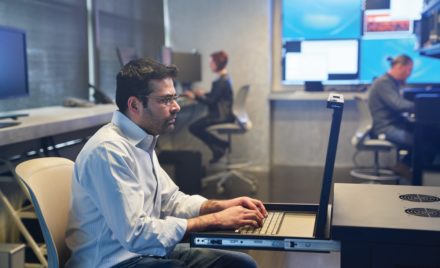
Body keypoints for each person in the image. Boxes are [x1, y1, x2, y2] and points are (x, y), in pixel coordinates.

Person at [65, 58, 267, 268]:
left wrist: (218, 206)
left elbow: (170, 200)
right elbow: (136, 234)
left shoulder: (143, 139)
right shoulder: (108, 150)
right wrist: (215, 220)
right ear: (134, 105)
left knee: (241, 264)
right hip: (114, 261)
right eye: (165, 100)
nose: (176, 107)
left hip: (143, 251)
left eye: (175, 98)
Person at [183, 51, 234, 164]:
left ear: (218, 63)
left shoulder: (221, 81)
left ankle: (220, 145)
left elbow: (211, 102)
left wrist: (195, 96)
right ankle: (220, 147)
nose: (210, 64)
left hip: (219, 116)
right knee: (196, 127)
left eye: (212, 62)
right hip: (224, 114)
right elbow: (215, 96)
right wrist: (202, 94)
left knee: (194, 128)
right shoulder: (225, 78)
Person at [368, 54, 415, 178]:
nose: (409, 73)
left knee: (424, 134)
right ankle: (406, 168)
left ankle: (403, 166)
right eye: (409, 69)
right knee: (421, 142)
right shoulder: (384, 83)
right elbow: (398, 105)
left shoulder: (391, 82)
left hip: (393, 124)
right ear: (399, 66)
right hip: (385, 128)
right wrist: (422, 107)